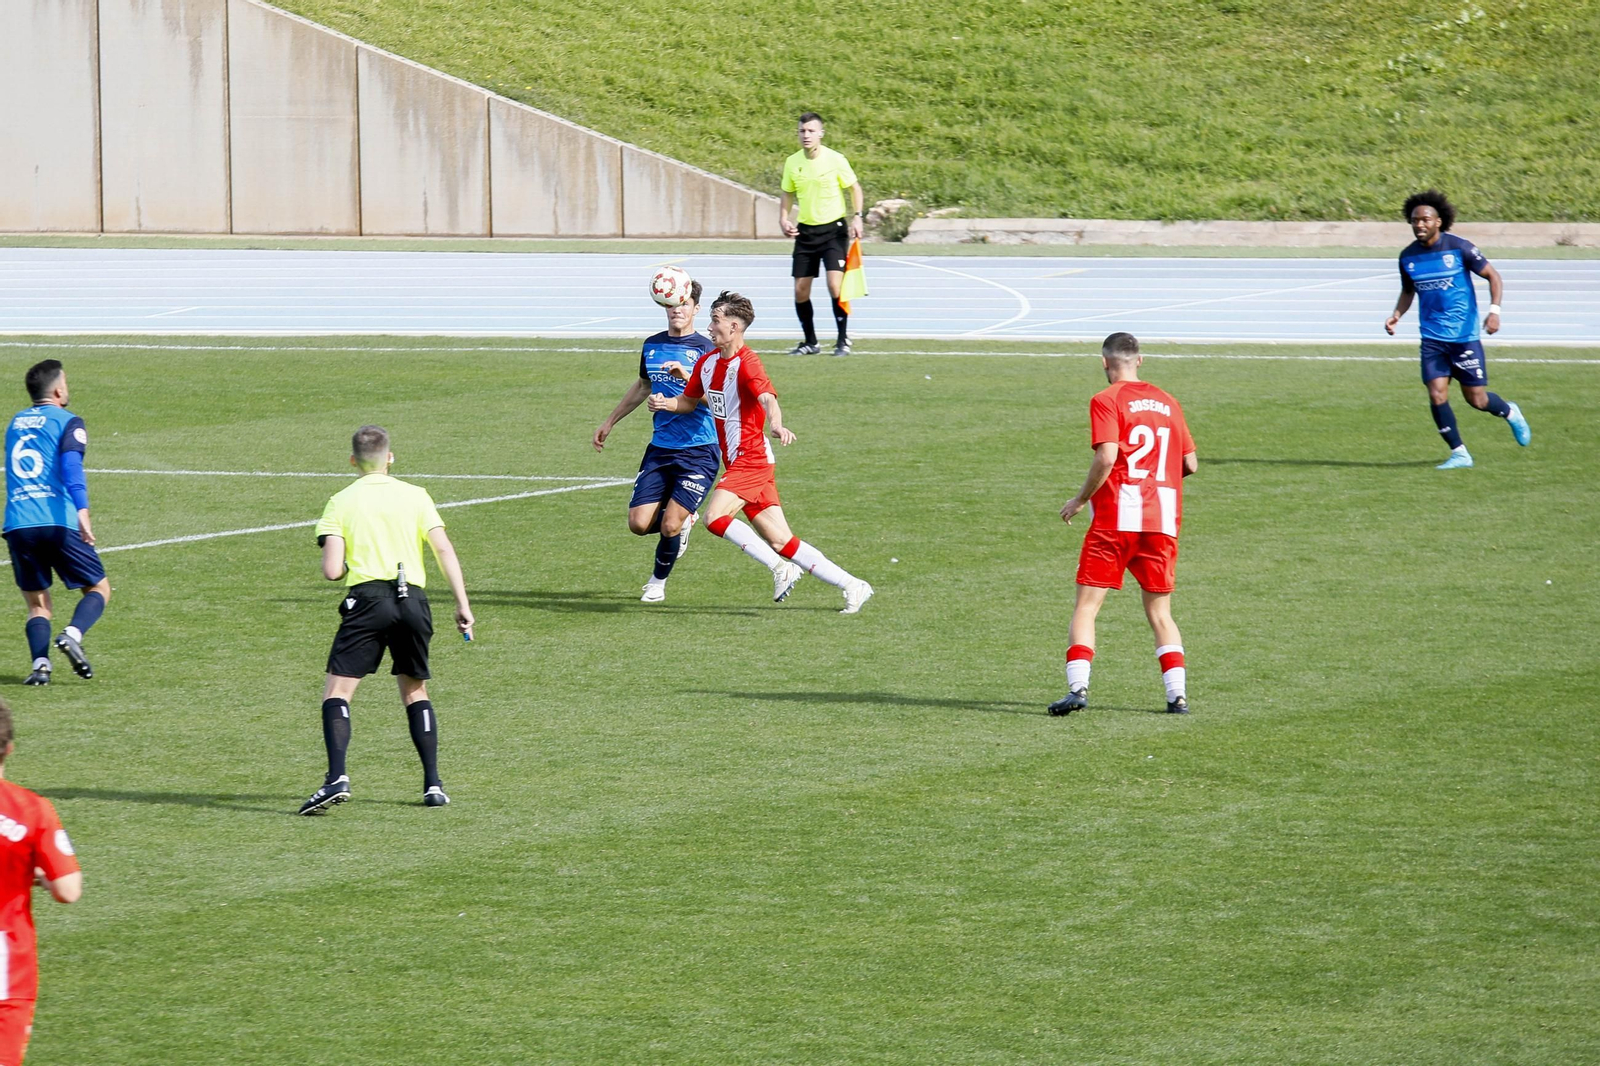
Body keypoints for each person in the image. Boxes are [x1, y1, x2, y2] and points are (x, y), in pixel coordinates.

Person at [648, 292, 873, 613]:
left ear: (734, 326)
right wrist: (665, 403)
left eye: (715, 320)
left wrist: (777, 424)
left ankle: (781, 569)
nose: (709, 327)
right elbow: (688, 401)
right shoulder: (707, 363)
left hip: (751, 459)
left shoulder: (748, 362)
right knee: (782, 541)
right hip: (741, 463)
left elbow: (767, 397)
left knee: (715, 518)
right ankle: (853, 585)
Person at [298, 425, 474, 815]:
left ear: (352, 461)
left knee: (337, 692)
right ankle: (433, 785)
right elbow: (443, 548)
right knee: (415, 690)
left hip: (368, 601)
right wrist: (462, 604)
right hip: (414, 601)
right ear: (390, 457)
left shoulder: (340, 502)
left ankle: (336, 778)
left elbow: (332, 571)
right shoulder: (416, 495)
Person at [593, 279, 801, 603]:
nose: (677, 310)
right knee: (638, 523)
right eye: (672, 304)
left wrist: (684, 387)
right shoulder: (652, 345)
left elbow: (719, 401)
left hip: (700, 449)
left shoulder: (709, 349)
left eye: (684, 303)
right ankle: (681, 519)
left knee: (670, 525)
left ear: (696, 308)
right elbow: (643, 385)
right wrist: (610, 421)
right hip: (661, 447)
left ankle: (657, 582)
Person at [1051, 333, 1197, 716]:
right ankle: (1177, 697)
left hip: (1116, 518)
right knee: (1160, 613)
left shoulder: (1107, 399)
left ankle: (1078, 688)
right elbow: (1191, 463)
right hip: (1162, 519)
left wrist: (1080, 499)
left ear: (1105, 362)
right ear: (1140, 360)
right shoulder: (1168, 401)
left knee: (1087, 606)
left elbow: (1107, 456)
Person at [1385, 189, 1531, 469]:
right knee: (1436, 394)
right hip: (1432, 338)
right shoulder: (1408, 257)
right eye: (1414, 220)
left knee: (1477, 399)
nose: (1419, 225)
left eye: (1425, 219)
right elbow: (1408, 291)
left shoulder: (1460, 248)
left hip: (1464, 338)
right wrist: (1396, 315)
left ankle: (1510, 412)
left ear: (1438, 221)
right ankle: (1459, 453)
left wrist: (1494, 312)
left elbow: (1493, 276)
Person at [2, 360, 111, 686]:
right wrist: (83, 511)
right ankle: (72, 635)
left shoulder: (15, 423)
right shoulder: (67, 421)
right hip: (56, 521)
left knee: (38, 604)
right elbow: (71, 467)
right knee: (99, 588)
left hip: (18, 524)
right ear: (59, 390)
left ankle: (40, 667)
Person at [0, 699, 83, 1066]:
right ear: (9, 748)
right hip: (6, 968)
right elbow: (68, 890)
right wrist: (35, 875)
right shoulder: (31, 809)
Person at [778, 112, 865, 357]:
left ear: (821, 134)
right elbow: (787, 193)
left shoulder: (835, 159)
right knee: (800, 290)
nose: (806, 135)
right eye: (802, 131)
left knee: (835, 285)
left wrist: (858, 216)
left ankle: (842, 340)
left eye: (811, 131)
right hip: (806, 232)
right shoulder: (792, 162)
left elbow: (854, 188)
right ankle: (810, 342)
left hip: (833, 231)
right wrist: (783, 218)